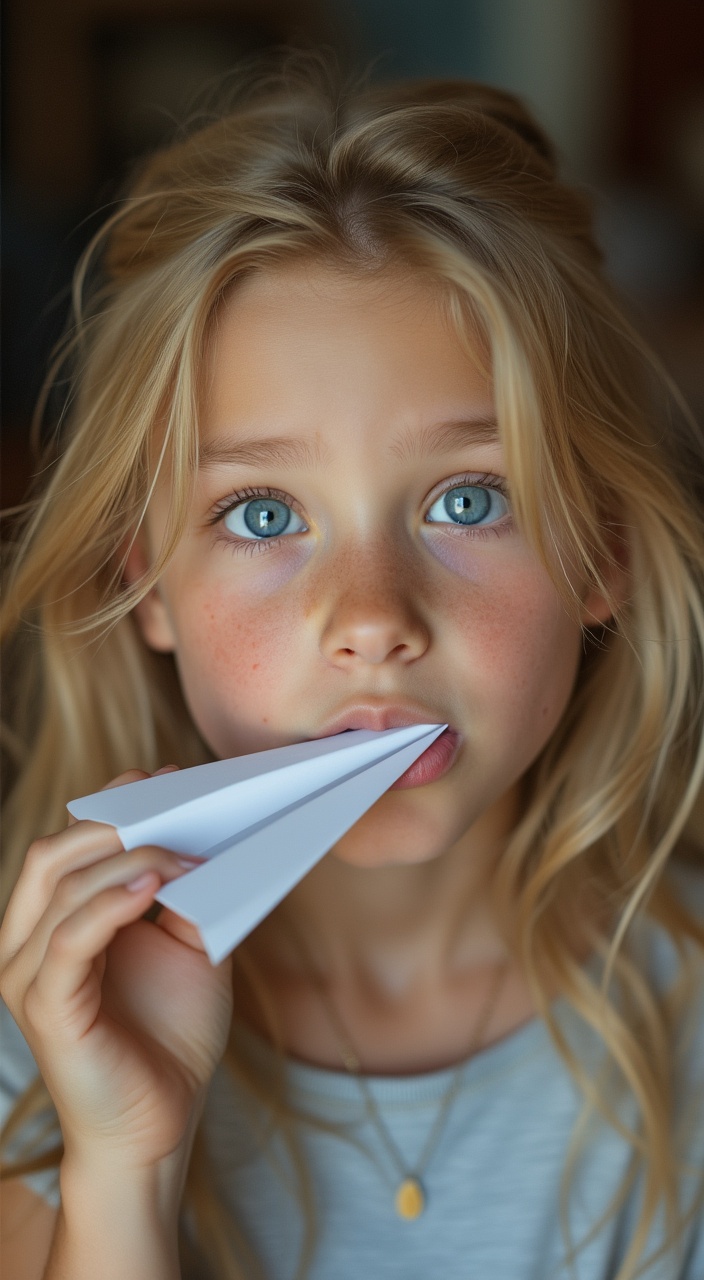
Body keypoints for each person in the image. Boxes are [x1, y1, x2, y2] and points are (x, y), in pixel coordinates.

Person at [1, 55, 703, 1280]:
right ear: (147, 583)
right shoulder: (41, 1034)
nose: (371, 618)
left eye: (466, 496)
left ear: (601, 554)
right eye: (265, 514)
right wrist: (124, 1163)